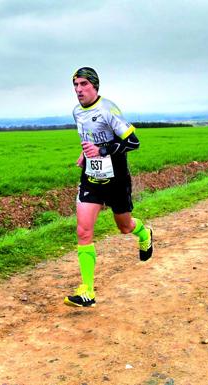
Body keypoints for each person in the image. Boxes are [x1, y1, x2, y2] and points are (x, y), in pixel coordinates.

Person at [64, 67, 153, 308]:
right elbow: (89, 141)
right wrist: (85, 155)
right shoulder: (76, 112)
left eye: (83, 84)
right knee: (83, 232)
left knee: (124, 227)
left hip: (117, 180)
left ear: (95, 86)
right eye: (75, 85)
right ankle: (88, 291)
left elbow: (133, 142)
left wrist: (102, 151)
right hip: (91, 178)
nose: (78, 90)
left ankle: (144, 233)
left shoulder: (108, 109)